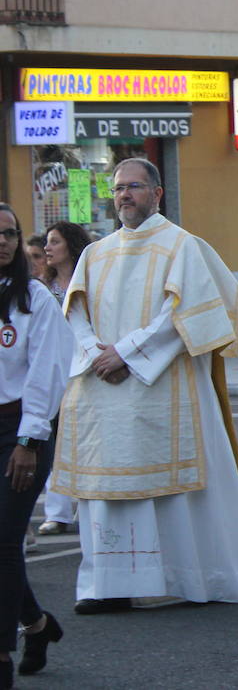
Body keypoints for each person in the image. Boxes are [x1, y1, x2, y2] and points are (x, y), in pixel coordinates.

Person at [49, 158, 238, 612]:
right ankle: (108, 587)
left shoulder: (183, 247)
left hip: (164, 384)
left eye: (134, 187)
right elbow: (74, 310)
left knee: (177, 493)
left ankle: (191, 579)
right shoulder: (96, 252)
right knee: (106, 490)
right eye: (117, 189)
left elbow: (190, 315)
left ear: (156, 193)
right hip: (104, 390)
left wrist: (127, 353)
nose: (124, 196)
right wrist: (95, 352)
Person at [0, 204, 73, 683]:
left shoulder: (35, 299)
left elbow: (47, 374)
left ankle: (1, 655)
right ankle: (37, 625)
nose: (3, 242)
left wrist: (29, 439)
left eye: (9, 234)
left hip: (20, 432)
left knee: (5, 543)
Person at [34, 222, 91, 538]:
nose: (47, 248)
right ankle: (57, 513)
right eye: (46, 242)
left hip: (87, 373)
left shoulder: (90, 282)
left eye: (54, 241)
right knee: (53, 445)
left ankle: (89, 505)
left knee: (87, 444)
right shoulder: (43, 288)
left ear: (70, 245)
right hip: (56, 374)